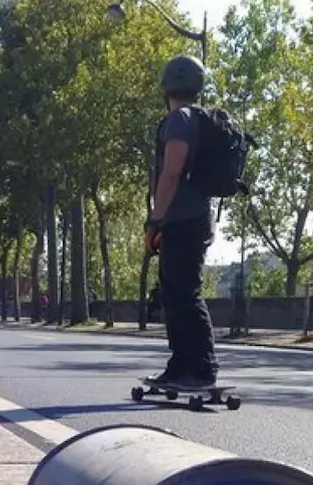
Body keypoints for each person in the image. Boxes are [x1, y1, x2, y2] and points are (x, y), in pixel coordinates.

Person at [143, 55, 219, 388]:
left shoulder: (179, 121)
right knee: (176, 292)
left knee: (183, 293)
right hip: (198, 216)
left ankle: (201, 367)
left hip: (181, 219)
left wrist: (156, 220)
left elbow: (171, 172)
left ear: (168, 86)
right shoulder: (202, 118)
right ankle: (181, 365)